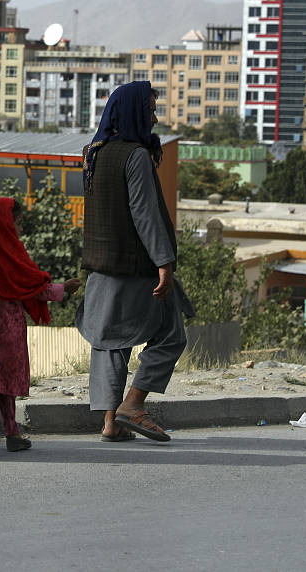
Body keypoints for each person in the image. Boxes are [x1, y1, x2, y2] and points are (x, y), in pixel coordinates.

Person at [76, 80, 194, 443]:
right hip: (135, 268)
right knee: (171, 333)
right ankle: (134, 404)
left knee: (110, 342)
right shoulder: (136, 156)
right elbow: (144, 214)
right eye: (151, 110)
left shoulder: (92, 152)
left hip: (100, 266)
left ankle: (111, 423)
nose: (155, 118)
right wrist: (164, 263)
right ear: (134, 113)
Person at [0, 197, 81, 457]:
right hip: (6, 324)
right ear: (5, 222)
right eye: (18, 222)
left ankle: (12, 433)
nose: (20, 228)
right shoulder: (9, 254)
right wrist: (63, 288)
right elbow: (32, 287)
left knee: (3, 378)